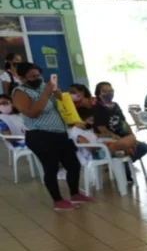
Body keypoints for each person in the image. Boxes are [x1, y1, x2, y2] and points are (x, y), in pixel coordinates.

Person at [12, 62, 93, 210]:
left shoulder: (44, 85)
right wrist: (46, 94)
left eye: (38, 75)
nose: (37, 78)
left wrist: (58, 95)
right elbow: (32, 112)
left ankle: (75, 194)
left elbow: (61, 104)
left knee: (73, 165)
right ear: (22, 78)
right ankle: (58, 200)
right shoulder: (20, 92)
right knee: (51, 168)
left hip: (60, 133)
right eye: (32, 76)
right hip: (40, 136)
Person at [93, 81, 147, 182]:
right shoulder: (97, 108)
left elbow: (123, 122)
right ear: (98, 94)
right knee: (125, 147)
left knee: (144, 147)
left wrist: (131, 134)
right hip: (109, 139)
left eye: (110, 90)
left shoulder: (116, 105)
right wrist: (117, 137)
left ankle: (124, 166)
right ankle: (125, 170)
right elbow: (102, 128)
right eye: (105, 91)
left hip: (124, 137)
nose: (109, 93)